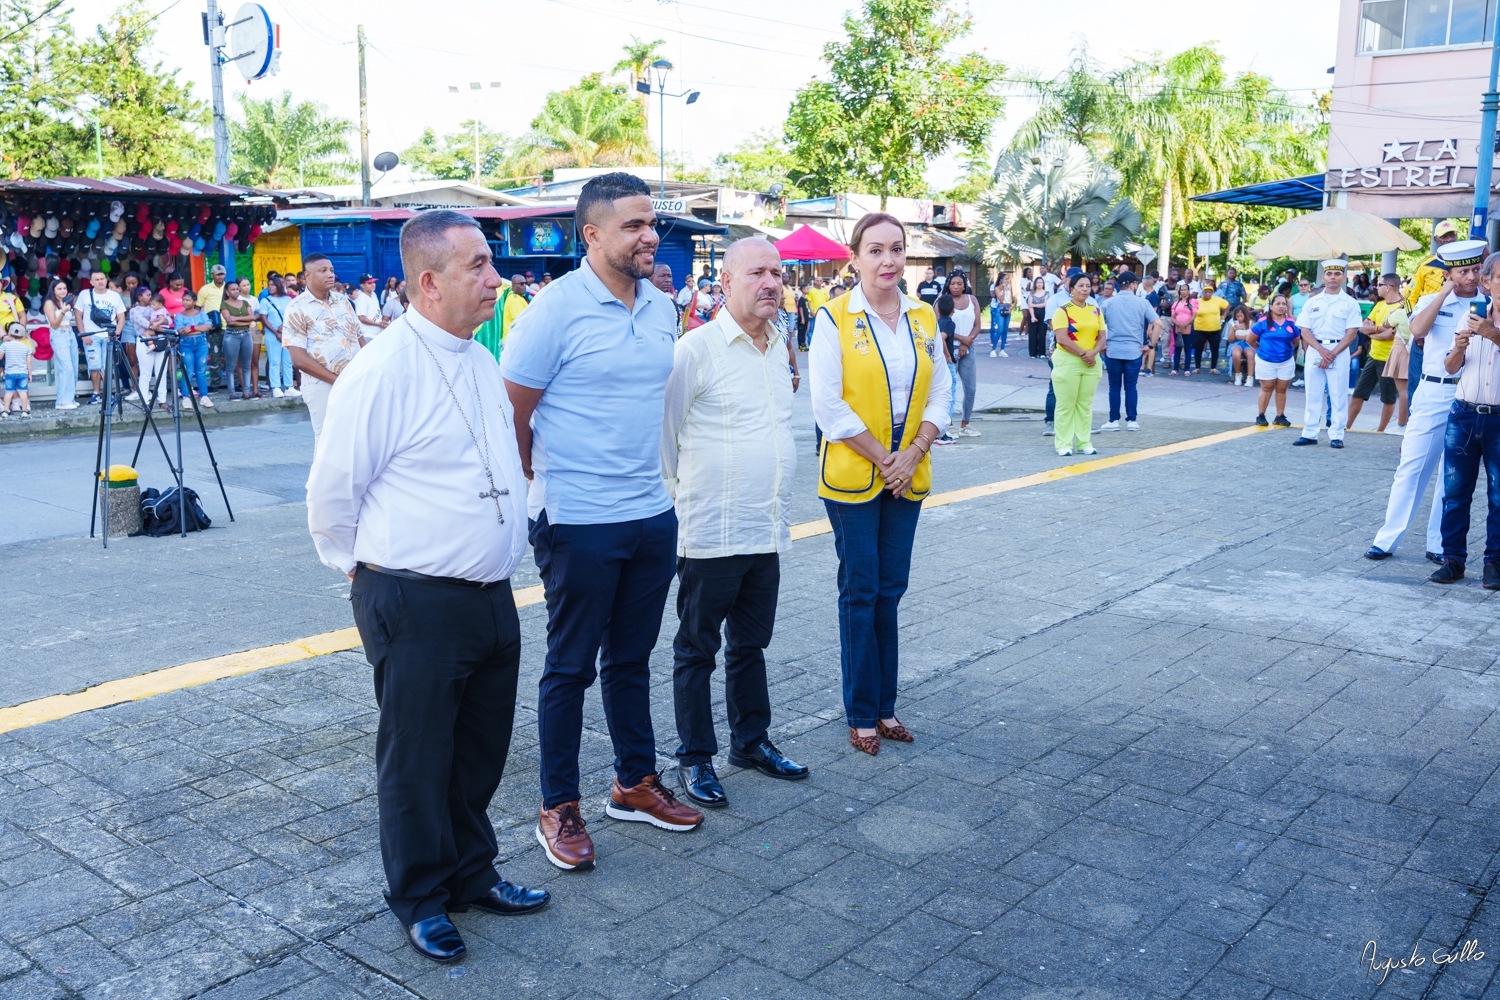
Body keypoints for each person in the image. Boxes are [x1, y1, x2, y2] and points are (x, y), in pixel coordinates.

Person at [306, 210, 549, 965]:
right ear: (428, 281)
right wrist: (367, 573)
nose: (495, 278)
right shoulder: (379, 371)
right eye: (477, 265)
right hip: (411, 598)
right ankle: (418, 897)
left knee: (478, 752)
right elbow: (331, 497)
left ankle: (472, 873)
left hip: (487, 595)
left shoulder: (477, 356)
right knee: (416, 758)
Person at [502, 172, 703, 872]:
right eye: (633, 226)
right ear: (591, 234)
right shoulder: (553, 311)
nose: (650, 236)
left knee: (631, 659)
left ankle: (634, 782)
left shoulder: (660, 308)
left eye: (653, 224)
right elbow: (513, 415)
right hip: (578, 520)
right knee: (569, 668)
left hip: (651, 513)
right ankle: (558, 805)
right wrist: (545, 489)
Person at [660, 238, 808, 807]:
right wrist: (683, 502)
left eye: (777, 272)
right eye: (757, 273)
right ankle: (696, 758)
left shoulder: (777, 347)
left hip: (764, 526)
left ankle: (750, 741)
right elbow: (663, 439)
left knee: (752, 644)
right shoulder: (695, 350)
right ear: (726, 280)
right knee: (697, 648)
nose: (771, 282)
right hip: (710, 529)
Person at [809, 212, 950, 756]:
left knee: (891, 592)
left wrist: (913, 452)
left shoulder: (922, 316)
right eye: (876, 250)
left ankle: (887, 706)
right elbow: (828, 405)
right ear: (855, 258)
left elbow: (942, 390)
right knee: (860, 591)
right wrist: (885, 458)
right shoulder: (834, 317)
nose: (888, 260)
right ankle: (860, 711)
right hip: (853, 476)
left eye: (896, 249)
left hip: (907, 470)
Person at [1366, 239, 1489, 561]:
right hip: (1435, 390)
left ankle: (1438, 543)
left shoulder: (1489, 305)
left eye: (1476, 270)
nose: (1472, 277)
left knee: (1452, 475)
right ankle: (1387, 538)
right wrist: (1445, 293)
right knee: (1412, 466)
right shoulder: (1430, 301)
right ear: (1449, 274)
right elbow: (1417, 331)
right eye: (1463, 271)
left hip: (1471, 393)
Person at [1432, 250, 1500, 587]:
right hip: (1464, 414)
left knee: (1499, 496)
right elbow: (1449, 367)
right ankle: (1453, 559)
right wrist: (1459, 346)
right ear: (1487, 283)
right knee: (1455, 492)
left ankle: (1494, 564)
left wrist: (1493, 333)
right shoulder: (1470, 316)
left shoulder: (1485, 324)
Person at [282, 253, 363, 441]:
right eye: (323, 270)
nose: (330, 275)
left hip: (354, 380)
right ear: (307, 276)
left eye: (332, 270)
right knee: (329, 441)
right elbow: (298, 358)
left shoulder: (343, 301)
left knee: (356, 438)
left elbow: (359, 337)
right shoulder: (296, 307)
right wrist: (337, 380)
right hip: (322, 384)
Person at [1291, 260, 1363, 449]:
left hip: (1339, 350)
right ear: (1323, 277)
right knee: (1312, 393)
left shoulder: (1350, 303)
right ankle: (1309, 432)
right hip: (1316, 349)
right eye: (1329, 274)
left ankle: (1337, 434)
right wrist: (1322, 352)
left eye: (1337, 274)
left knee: (1338, 394)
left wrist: (1331, 354)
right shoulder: (1313, 301)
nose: (1333, 277)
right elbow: (1304, 330)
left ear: (1343, 277)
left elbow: (1352, 333)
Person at [1050, 271, 1107, 457]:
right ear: (1071, 289)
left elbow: (1102, 337)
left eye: (1088, 286)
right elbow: (1062, 338)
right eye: (1080, 286)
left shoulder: (1095, 310)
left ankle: (1084, 442)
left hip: (1091, 362)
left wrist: (1093, 353)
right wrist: (1084, 354)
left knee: (1085, 405)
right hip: (1068, 361)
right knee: (1066, 405)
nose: (1085, 289)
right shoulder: (1063, 310)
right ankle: (1064, 444)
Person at [1099, 271, 1157, 432]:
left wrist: (1101, 346)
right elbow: (1158, 324)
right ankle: (1132, 420)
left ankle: (1113, 420)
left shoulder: (1108, 303)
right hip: (1134, 350)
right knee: (1131, 386)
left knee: (1114, 386)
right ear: (1132, 285)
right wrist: (1150, 345)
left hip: (1113, 350)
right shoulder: (1143, 303)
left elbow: (1098, 326)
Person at [1347, 279, 1402, 433]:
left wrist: (1374, 333)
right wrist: (1379, 329)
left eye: (1379, 285)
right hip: (1373, 356)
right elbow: (1363, 328)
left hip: (1390, 358)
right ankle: (1346, 427)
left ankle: (1381, 431)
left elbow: (1391, 335)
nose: (1376, 288)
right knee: (1358, 394)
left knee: (1388, 398)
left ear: (1389, 287)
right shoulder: (1379, 304)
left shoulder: (1402, 306)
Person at [75, 269, 125, 405]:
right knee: (94, 366)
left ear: (106, 280)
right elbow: (78, 316)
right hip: (91, 336)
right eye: (96, 279)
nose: (100, 282)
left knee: (107, 365)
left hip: (109, 336)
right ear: (91, 282)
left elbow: (121, 318)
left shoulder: (114, 296)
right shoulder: (85, 295)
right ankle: (96, 393)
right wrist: (83, 334)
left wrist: (116, 335)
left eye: (102, 279)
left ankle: (108, 393)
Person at [1248, 293, 1299, 427]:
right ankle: (1261, 415)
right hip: (1266, 360)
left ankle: (1280, 416)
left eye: (1283, 304)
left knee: (1282, 389)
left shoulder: (1292, 323)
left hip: (1286, 361)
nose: (1281, 306)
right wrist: (1261, 350)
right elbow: (1250, 340)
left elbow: (1295, 341)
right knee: (1267, 387)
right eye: (1278, 304)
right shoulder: (1263, 322)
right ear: (1271, 306)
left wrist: (1285, 352)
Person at [1374, 274, 1414, 430]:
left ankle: (1402, 424)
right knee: (1410, 389)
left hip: (1401, 350)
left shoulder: (1400, 313)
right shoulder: (1417, 313)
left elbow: (1386, 324)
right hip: (1413, 351)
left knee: (1403, 391)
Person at [947, 271, 980, 437]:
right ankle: (948, 424)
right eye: (953, 283)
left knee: (971, 388)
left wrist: (968, 342)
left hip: (968, 349)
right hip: (949, 349)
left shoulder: (972, 300)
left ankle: (965, 424)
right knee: (949, 388)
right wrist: (962, 341)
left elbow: (977, 325)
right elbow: (940, 326)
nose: (956, 287)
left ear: (964, 284)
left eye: (959, 283)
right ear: (948, 284)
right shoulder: (943, 301)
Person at [173, 291, 214, 409]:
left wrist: (191, 328)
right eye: (184, 300)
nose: (185, 302)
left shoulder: (201, 313)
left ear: (194, 301)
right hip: (186, 345)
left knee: (201, 370)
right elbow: (181, 331)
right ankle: (186, 397)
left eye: (188, 300)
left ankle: (204, 396)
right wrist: (199, 330)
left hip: (201, 344)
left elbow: (208, 326)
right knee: (188, 371)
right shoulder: (179, 316)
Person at [475, 274, 529, 359]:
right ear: (513, 285)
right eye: (521, 284)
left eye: (525, 283)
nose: (524, 286)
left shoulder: (517, 297)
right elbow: (522, 322)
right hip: (514, 341)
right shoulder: (515, 299)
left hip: (514, 340)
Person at [43, 279, 79, 411]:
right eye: (59, 288)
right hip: (59, 335)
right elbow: (53, 324)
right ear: (53, 290)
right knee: (66, 368)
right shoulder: (49, 303)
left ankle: (70, 398)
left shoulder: (64, 301)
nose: (63, 291)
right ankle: (62, 401)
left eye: (64, 288)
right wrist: (63, 311)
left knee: (74, 367)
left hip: (70, 333)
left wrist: (69, 306)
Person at [220, 279, 257, 400]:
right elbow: (228, 320)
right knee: (231, 366)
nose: (236, 291)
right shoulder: (224, 304)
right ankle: (232, 393)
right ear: (227, 291)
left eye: (237, 289)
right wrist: (243, 318)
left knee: (247, 365)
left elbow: (253, 317)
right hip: (232, 335)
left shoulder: (245, 303)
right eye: (233, 289)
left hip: (246, 334)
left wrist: (236, 318)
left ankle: (246, 392)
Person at [261, 275, 297, 399]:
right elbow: (264, 319)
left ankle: (289, 386)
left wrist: (284, 327)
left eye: (272, 285)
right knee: (274, 361)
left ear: (279, 285)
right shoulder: (265, 301)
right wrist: (276, 332)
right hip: (272, 336)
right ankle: (276, 387)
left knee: (287, 361)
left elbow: (293, 316)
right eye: (269, 285)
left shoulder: (288, 299)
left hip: (287, 334)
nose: (269, 287)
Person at [1192, 280, 1229, 375]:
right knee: (1199, 348)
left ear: (1212, 292)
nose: (1207, 293)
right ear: (1202, 292)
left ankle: (1213, 368)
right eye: (1205, 291)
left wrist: (1223, 317)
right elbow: (1190, 310)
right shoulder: (1197, 301)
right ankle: (1197, 367)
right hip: (1200, 328)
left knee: (1214, 349)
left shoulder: (1217, 300)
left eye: (1209, 292)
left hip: (1215, 329)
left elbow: (1227, 306)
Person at [2, 323, 33, 418]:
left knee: (8, 392)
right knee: (23, 392)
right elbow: (29, 362)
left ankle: (6, 411)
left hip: (10, 373)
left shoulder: (5, 345)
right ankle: (24, 410)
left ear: (9, 334)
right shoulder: (26, 347)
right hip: (22, 373)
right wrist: (30, 374)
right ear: (23, 336)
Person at [1170, 282, 1197, 376]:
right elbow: (1172, 316)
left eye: (1185, 290)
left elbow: (1194, 315)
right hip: (1177, 327)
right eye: (1182, 290)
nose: (1183, 292)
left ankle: (1187, 369)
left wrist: (1186, 323)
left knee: (1187, 348)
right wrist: (1177, 323)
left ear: (1189, 291)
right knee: (1177, 348)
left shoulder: (1192, 302)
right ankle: (1175, 369)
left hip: (1188, 327)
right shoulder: (1176, 303)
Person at [1225, 305, 1256, 387]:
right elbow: (1230, 339)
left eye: (1241, 316)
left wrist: (1238, 336)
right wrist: (1234, 331)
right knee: (1236, 353)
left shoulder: (1251, 322)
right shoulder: (1232, 324)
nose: (1239, 318)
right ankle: (1238, 375)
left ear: (1245, 315)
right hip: (1236, 343)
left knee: (1250, 354)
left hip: (1249, 343)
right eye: (1237, 316)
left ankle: (1250, 378)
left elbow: (1252, 337)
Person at [989, 273, 1012, 357]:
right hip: (1000, 308)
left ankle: (1002, 349)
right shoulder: (997, 288)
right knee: (1000, 329)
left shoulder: (1009, 288)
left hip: (1007, 308)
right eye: (1005, 279)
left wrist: (1010, 308)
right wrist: (1004, 290)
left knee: (1005, 330)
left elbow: (1011, 300)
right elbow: (1001, 300)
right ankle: (993, 349)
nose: (1007, 281)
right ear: (1001, 280)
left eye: (1008, 279)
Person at [1025, 276, 1048, 358]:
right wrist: (1033, 316)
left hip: (1043, 314)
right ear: (1035, 284)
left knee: (1042, 334)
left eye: (1041, 282)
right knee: (1032, 334)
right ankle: (1032, 353)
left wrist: (1034, 305)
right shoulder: (1031, 294)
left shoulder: (1046, 293)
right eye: (1038, 282)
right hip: (1033, 314)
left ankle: (1042, 352)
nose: (1039, 284)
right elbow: (1029, 305)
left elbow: (1045, 304)